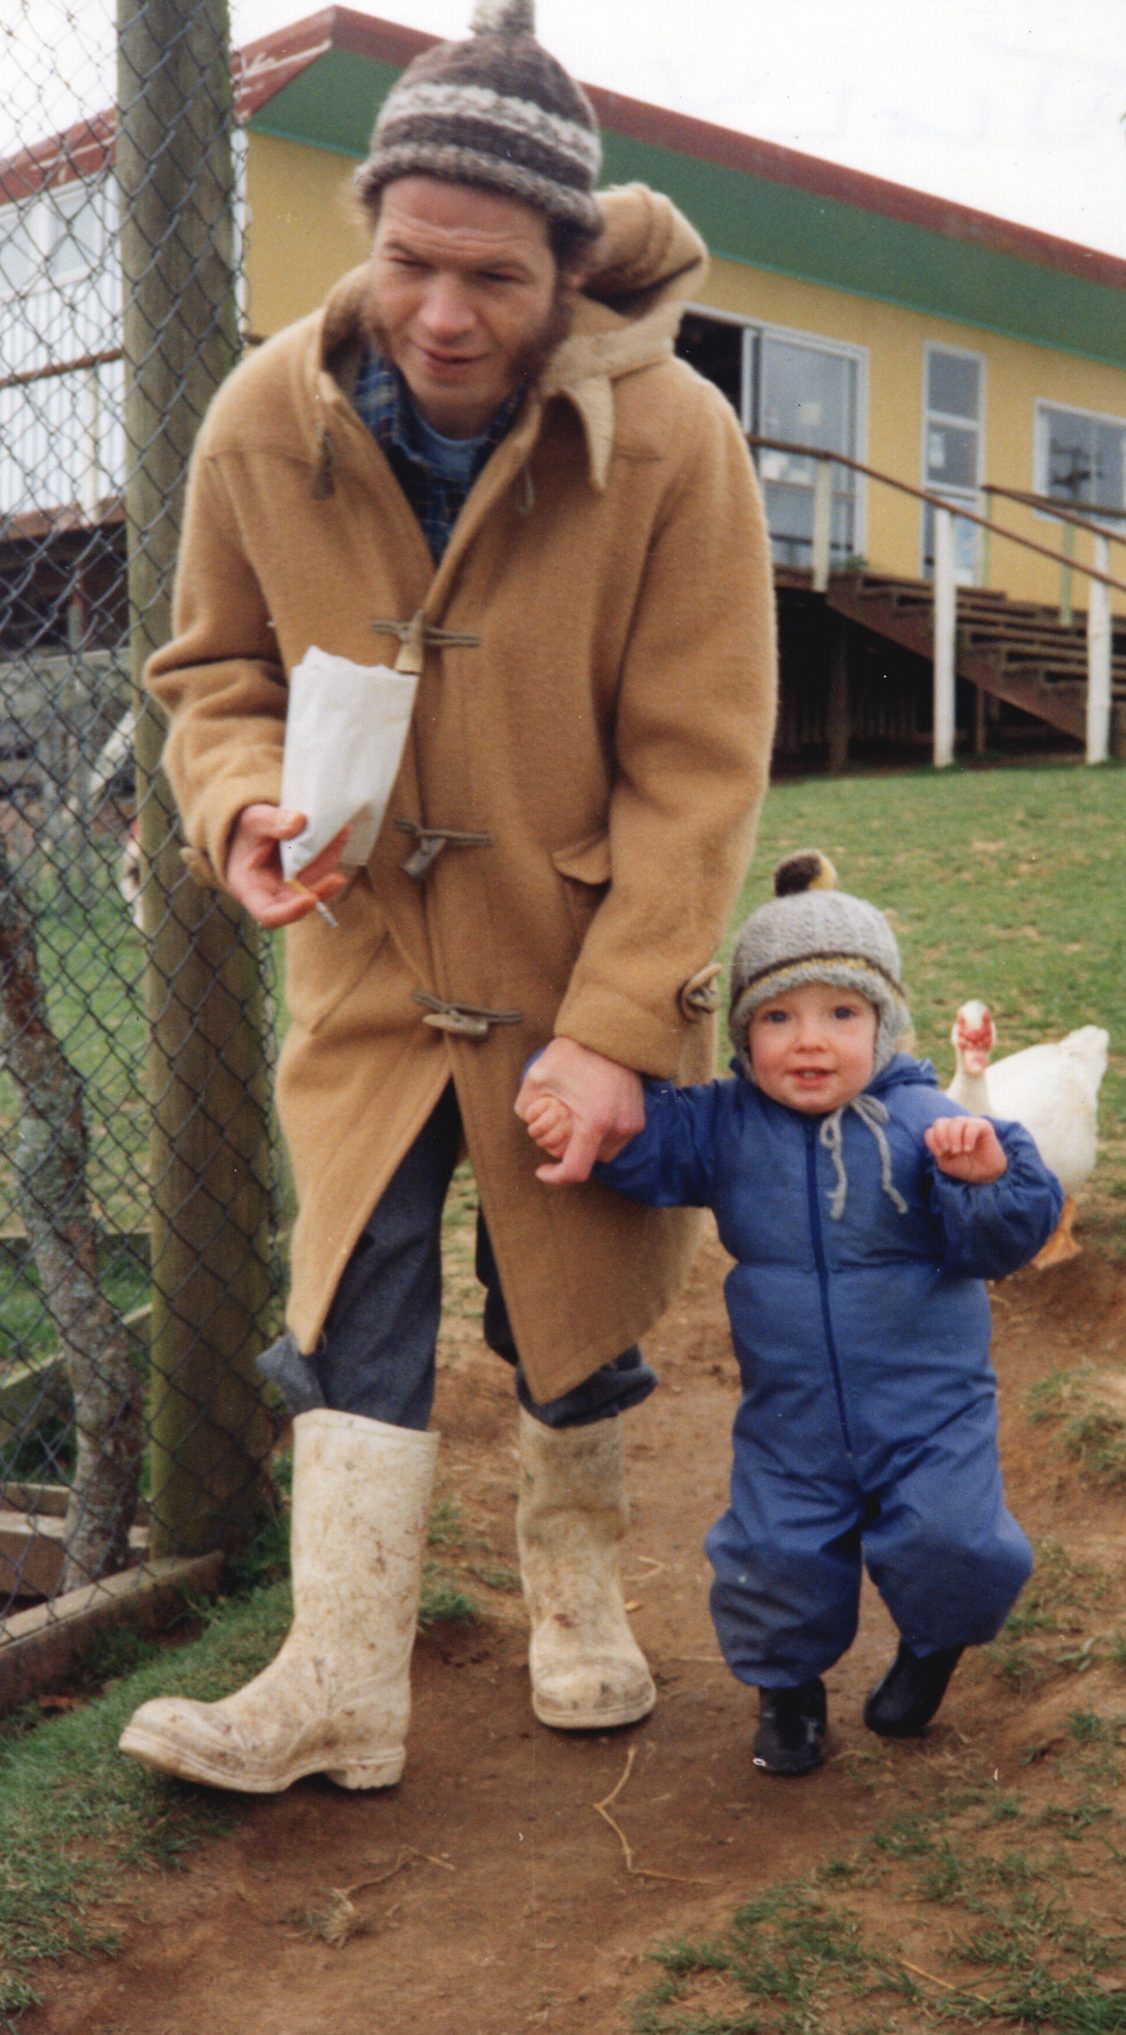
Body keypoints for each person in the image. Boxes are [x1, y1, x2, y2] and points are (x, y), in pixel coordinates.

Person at [118, 0, 776, 1795]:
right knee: (359, 1283)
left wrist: (625, 1020)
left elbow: (696, 765)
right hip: (368, 958)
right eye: (410, 262)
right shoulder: (265, 414)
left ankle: (574, 1593)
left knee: (561, 1283)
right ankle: (339, 1668)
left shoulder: (675, 444)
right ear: (370, 229)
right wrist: (239, 801)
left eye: (491, 276)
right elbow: (210, 669)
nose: (441, 313)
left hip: (573, 957)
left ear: (570, 264)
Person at [523, 853, 1062, 1774]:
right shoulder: (725, 1124)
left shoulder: (929, 1122)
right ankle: (789, 1693)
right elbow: (641, 1142)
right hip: (793, 1412)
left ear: (885, 1023)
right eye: (778, 1018)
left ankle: (931, 1648)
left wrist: (988, 1183)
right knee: (774, 1556)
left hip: (929, 1410)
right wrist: (573, 1109)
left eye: (840, 1015)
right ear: (742, 1032)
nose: (809, 1042)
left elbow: (1006, 1239)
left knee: (954, 1544)